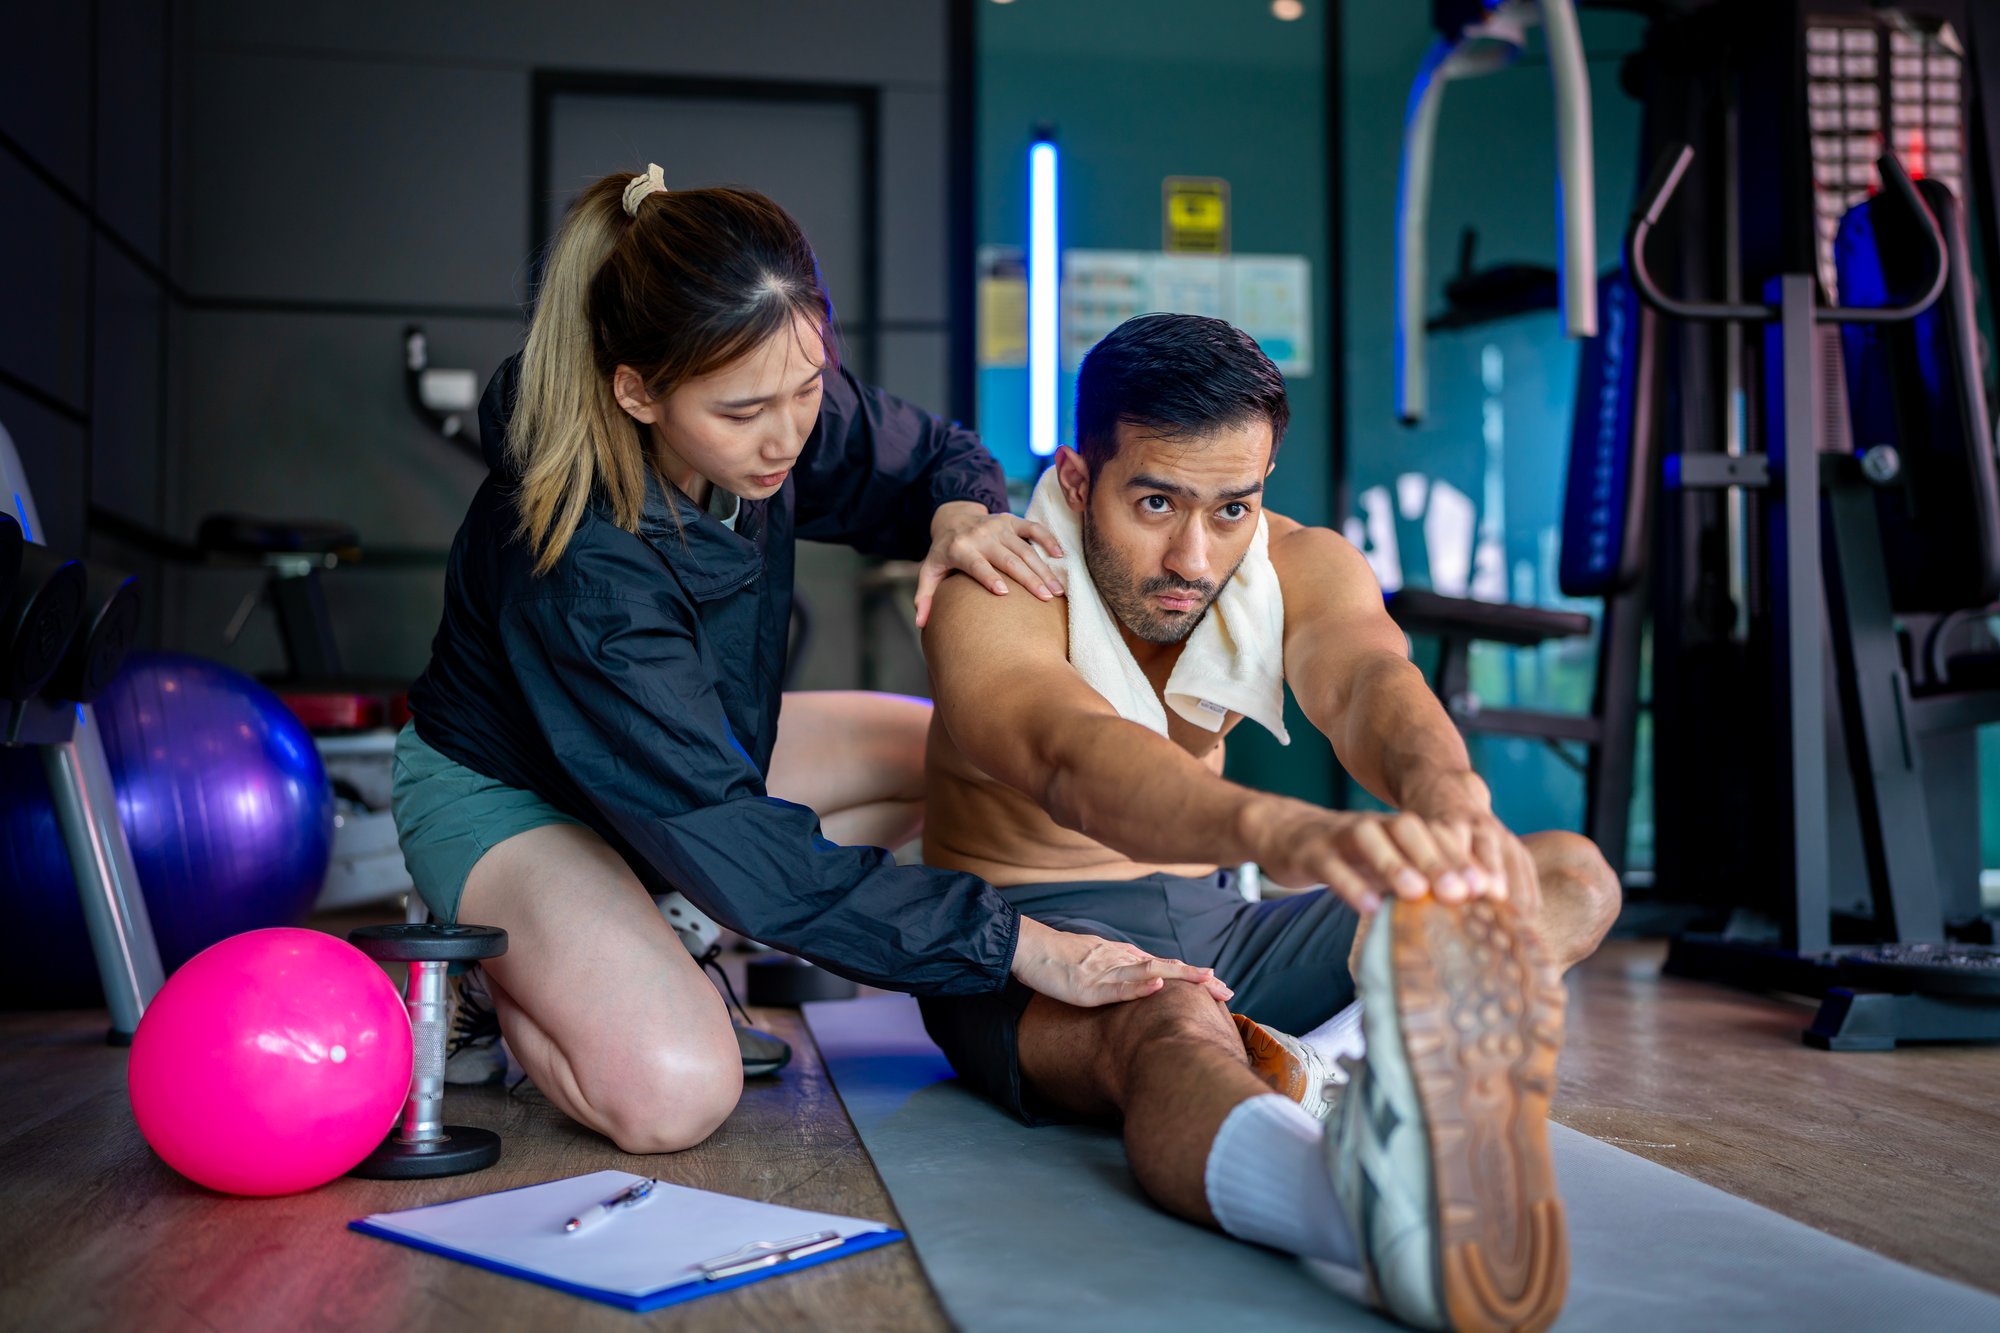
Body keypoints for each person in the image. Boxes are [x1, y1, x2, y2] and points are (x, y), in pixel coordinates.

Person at [393, 168, 1229, 1157]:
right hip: (515, 794)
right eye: (744, 413)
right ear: (636, 390)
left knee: (957, 755)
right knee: (674, 1092)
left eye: (805, 387)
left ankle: (648, 921)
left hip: (679, 768)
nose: (786, 433)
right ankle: (499, 975)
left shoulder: (767, 400)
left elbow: (930, 453)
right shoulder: (581, 561)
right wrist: (1025, 948)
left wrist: (959, 511)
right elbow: (739, 840)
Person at [917, 313, 1622, 1332]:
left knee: (1564, 876)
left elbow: (1368, 681)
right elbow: (1074, 758)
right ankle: (1357, 1206)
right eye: (1153, 501)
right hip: (1029, 947)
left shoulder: (1293, 559)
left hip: (1222, 923)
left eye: (1230, 507)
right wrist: (1289, 834)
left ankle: (1325, 1066)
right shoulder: (999, 585)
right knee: (1168, 1025)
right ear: (1077, 481)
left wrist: (1451, 808)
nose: (1191, 557)